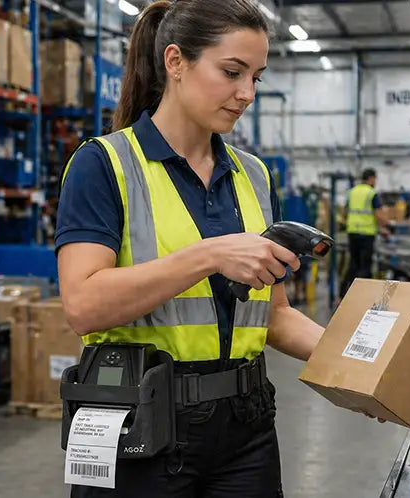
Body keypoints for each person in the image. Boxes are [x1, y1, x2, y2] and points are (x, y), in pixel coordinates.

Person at [53, 1, 327, 496]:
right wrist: (210, 255)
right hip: (142, 424)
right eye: (232, 72)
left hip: (246, 429)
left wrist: (357, 364)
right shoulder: (105, 165)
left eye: (256, 78)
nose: (247, 94)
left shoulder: (254, 175)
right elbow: (83, 306)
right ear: (176, 62)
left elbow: (275, 315)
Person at [342, 168, 389, 293]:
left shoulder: (352, 192)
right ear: (371, 178)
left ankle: (344, 293)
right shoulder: (371, 193)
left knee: (353, 264)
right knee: (365, 266)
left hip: (352, 232)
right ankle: (363, 294)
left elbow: (345, 212)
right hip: (367, 234)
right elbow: (378, 214)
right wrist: (386, 226)